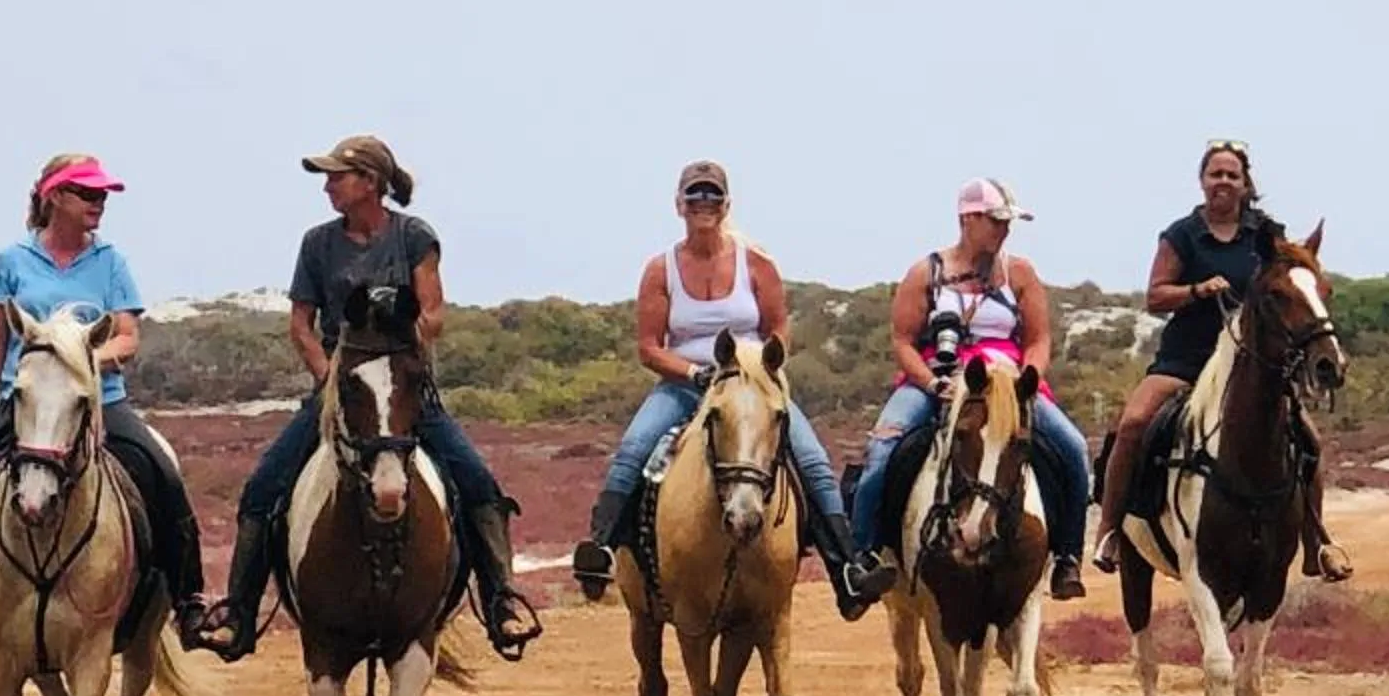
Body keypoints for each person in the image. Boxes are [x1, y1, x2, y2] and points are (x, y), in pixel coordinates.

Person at [197, 135, 530, 660]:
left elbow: (434, 312)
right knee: (264, 487)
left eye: (337, 177)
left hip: (403, 388)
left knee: (479, 484)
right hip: (340, 391)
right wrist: (330, 375)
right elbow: (301, 325)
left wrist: (402, 349)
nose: (328, 186)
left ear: (370, 183)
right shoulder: (318, 244)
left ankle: (501, 601)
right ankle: (238, 613)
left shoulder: (413, 237)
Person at [0, 153, 215, 666]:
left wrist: (80, 360)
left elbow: (127, 336)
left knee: (162, 475)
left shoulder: (111, 261)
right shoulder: (12, 260)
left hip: (95, 401)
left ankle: (188, 602)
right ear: (54, 197)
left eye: (102, 196)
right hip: (25, 402)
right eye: (87, 194)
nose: (99, 204)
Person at [569, 160, 898, 617]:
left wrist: (763, 367)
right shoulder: (660, 270)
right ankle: (602, 551)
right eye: (694, 196)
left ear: (726, 205)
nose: (703, 204)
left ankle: (847, 570)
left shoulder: (756, 264)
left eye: (712, 196)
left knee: (814, 462)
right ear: (679, 205)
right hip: (687, 384)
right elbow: (649, 347)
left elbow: (779, 328)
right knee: (633, 449)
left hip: (752, 386)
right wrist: (693, 373)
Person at [1096, 139, 1349, 580]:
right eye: (1216, 174)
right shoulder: (1181, 235)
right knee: (1134, 423)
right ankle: (1111, 530)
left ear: (1245, 182)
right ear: (1202, 181)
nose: (1224, 182)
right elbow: (1155, 296)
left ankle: (1315, 541)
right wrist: (1196, 290)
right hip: (1186, 362)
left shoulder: (1266, 235)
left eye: (1232, 175)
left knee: (1308, 439)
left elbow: (1294, 276)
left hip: (1251, 367)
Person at [847, 179, 1092, 598]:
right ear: (968, 219)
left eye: (1006, 223)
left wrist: (1025, 379)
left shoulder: (1020, 273)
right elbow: (903, 340)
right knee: (882, 453)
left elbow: (1039, 338)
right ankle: (865, 556)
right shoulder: (927, 272)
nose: (1004, 231)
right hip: (936, 380)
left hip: (1007, 383)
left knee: (1072, 448)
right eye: (996, 222)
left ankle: (1068, 557)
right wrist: (931, 382)